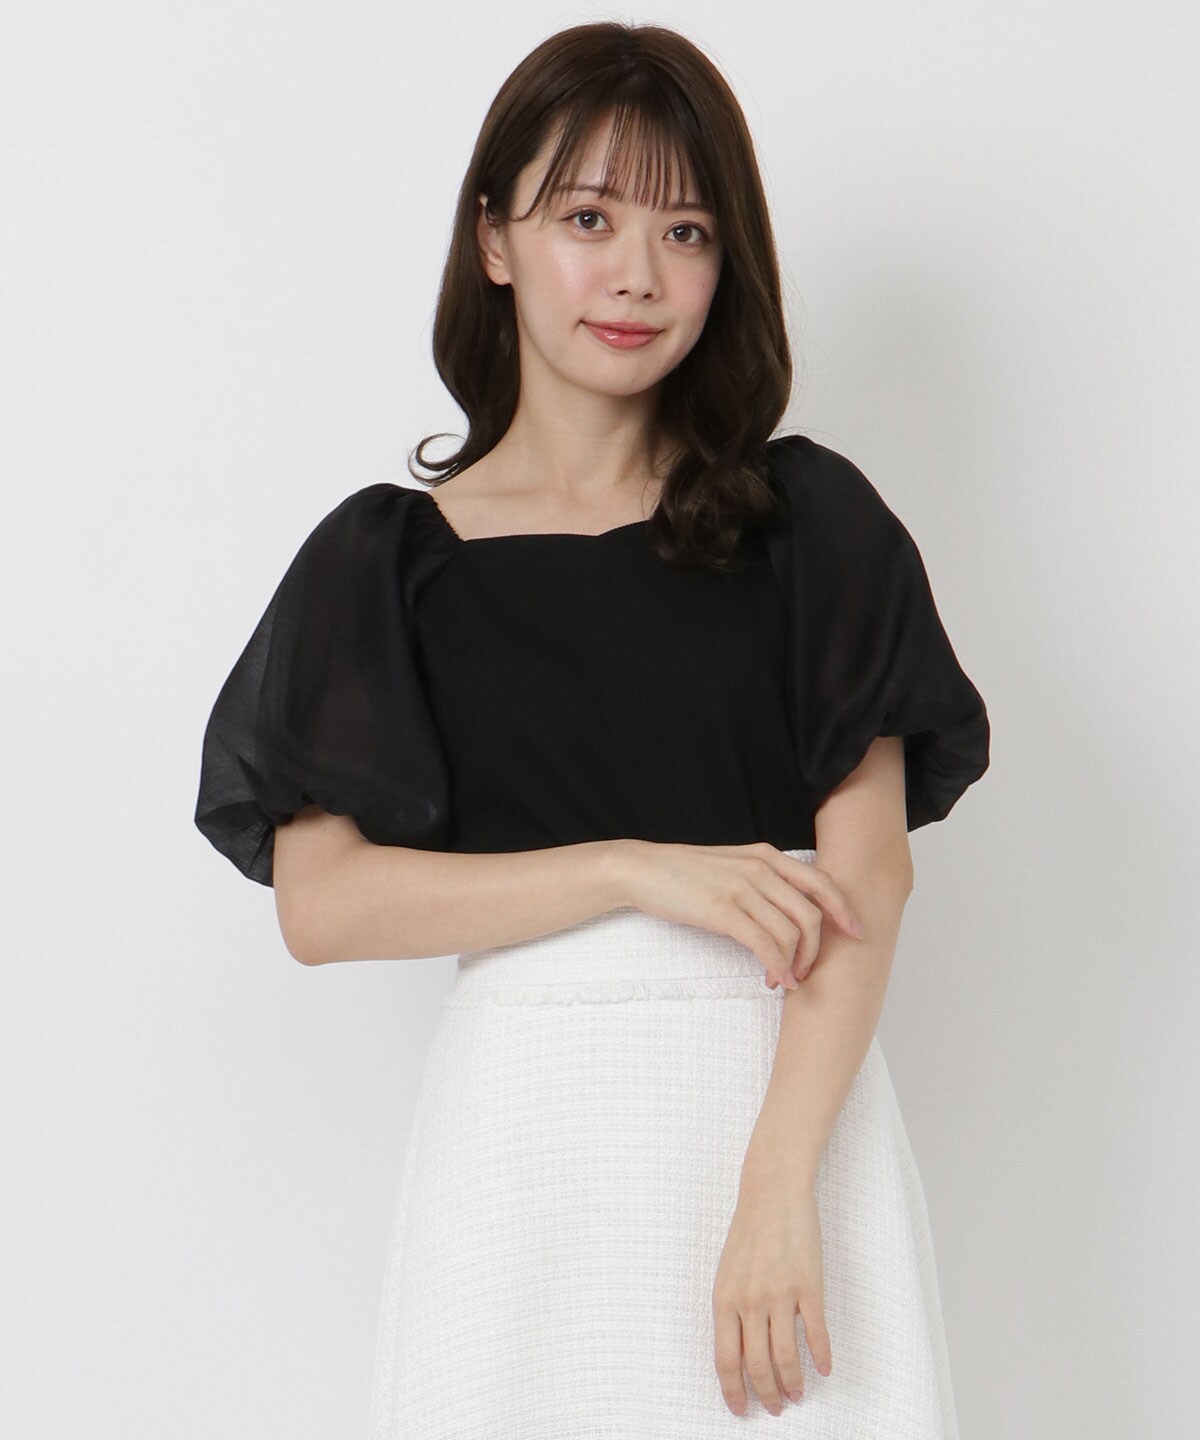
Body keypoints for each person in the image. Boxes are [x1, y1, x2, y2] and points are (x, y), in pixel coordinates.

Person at [193, 21, 990, 1438]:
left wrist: (777, 1189)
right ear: (493, 238)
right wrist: (631, 868)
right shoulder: (387, 564)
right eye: (586, 219)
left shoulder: (810, 527)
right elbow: (322, 902)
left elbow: (868, 879)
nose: (636, 274)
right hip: (527, 1145)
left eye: (686, 231)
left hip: (787, 1123)